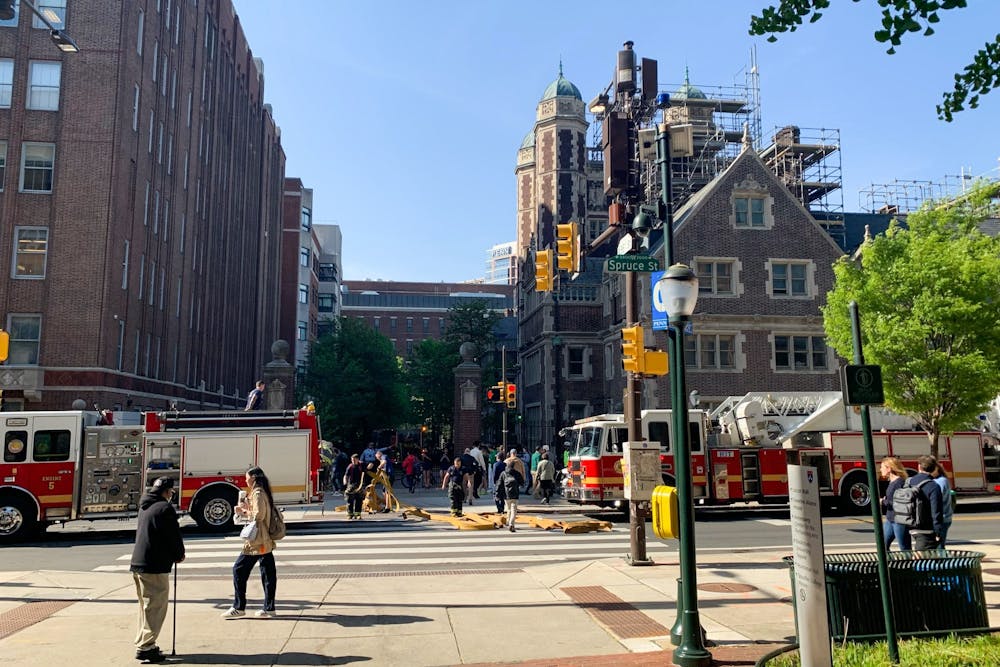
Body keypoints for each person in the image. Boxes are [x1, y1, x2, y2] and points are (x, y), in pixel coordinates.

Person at [130, 477, 185, 664]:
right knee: (156, 606)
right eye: (171, 492)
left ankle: (144, 642)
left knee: (146, 607)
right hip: (155, 564)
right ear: (167, 491)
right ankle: (146, 646)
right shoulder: (164, 508)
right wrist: (179, 554)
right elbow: (172, 536)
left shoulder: (144, 506)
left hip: (139, 562)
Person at [222, 467, 277, 618]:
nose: (245, 480)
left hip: (257, 540)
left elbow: (259, 515)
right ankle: (269, 608)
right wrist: (248, 507)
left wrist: (244, 512)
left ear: (253, 478)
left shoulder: (258, 493)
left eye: (247, 478)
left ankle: (239, 606)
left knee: (239, 569)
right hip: (264, 539)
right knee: (268, 573)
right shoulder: (262, 491)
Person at [900, 454, 945, 551]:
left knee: (920, 554)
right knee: (924, 557)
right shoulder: (933, 486)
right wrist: (938, 530)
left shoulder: (909, 482)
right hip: (925, 528)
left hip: (909, 523)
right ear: (934, 468)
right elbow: (936, 511)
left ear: (919, 467)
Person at [878, 457, 911, 551]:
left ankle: (908, 560)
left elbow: (897, 502)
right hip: (890, 519)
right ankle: (888, 560)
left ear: (889, 468)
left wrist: (883, 501)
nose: (880, 470)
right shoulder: (892, 482)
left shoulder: (899, 483)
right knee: (883, 545)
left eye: (882, 467)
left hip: (899, 520)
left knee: (904, 547)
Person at [930, 457, 955, 548]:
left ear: (936, 468)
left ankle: (941, 557)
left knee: (939, 546)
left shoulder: (941, 481)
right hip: (937, 518)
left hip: (942, 518)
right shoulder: (935, 480)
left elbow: (937, 499)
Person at [499, 458, 524, 532]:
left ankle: (508, 522)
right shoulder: (517, 473)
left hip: (506, 494)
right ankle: (511, 524)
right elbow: (522, 482)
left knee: (509, 509)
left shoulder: (503, 473)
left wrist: (497, 494)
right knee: (513, 510)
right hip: (515, 493)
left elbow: (499, 484)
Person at [343, 453, 365, 520]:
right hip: (351, 485)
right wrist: (345, 482)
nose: (353, 461)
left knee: (359, 500)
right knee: (350, 500)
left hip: (359, 485)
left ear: (357, 459)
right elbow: (346, 475)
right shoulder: (350, 466)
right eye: (352, 460)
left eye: (354, 460)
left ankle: (357, 514)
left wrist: (371, 464)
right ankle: (350, 514)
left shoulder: (361, 465)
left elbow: (367, 468)